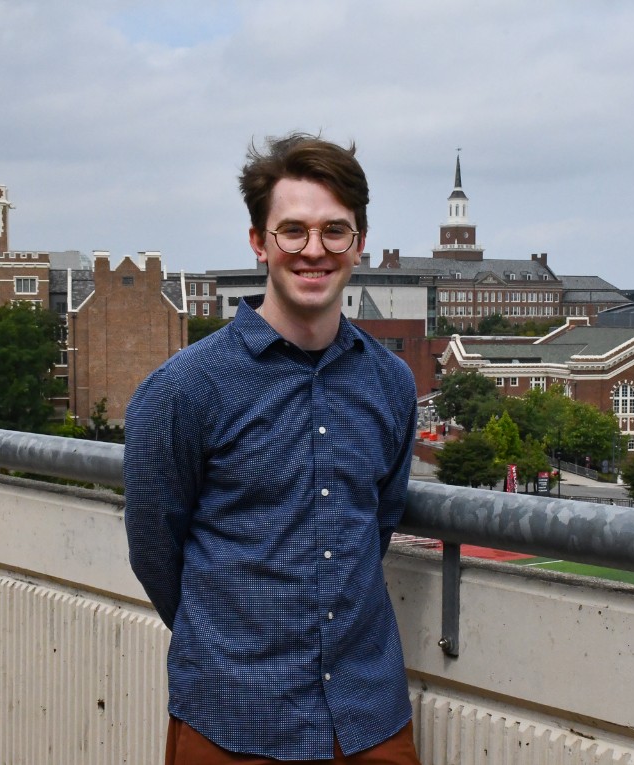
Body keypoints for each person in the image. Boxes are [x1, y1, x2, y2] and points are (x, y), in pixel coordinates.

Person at [123, 133, 420, 764]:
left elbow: (379, 522)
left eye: (335, 231)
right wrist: (230, 641)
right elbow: (154, 548)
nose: (314, 250)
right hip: (234, 722)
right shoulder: (186, 387)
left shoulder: (390, 383)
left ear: (359, 244)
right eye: (293, 231)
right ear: (259, 242)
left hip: (368, 723)